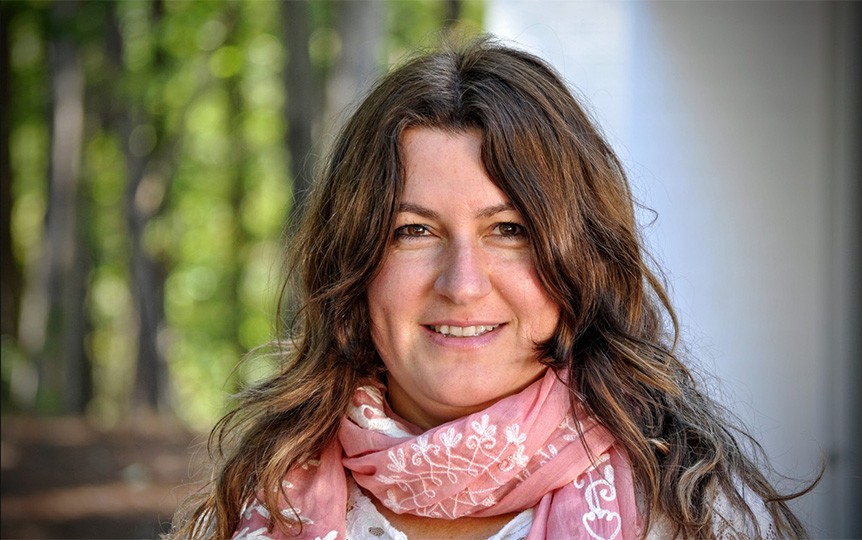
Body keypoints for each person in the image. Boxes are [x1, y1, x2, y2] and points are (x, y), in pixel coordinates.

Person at [171, 37, 813, 539]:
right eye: (413, 231)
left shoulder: (693, 516)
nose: (463, 284)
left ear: (579, 260)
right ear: (356, 264)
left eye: (508, 229)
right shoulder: (254, 506)